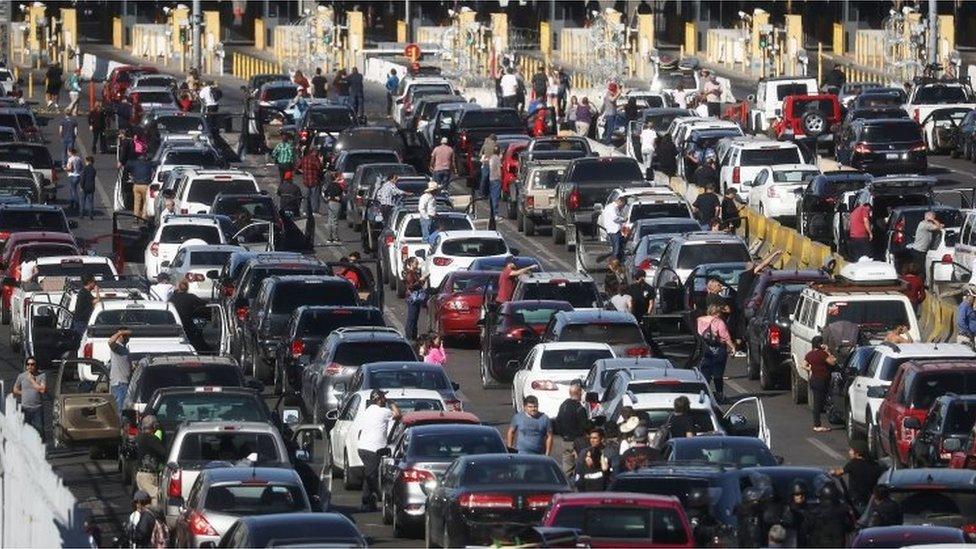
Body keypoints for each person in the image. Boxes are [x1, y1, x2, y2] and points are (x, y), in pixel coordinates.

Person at [352, 389, 402, 512]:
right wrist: (392, 403)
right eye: (384, 397)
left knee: (370, 474)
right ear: (379, 399)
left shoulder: (368, 410)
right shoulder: (383, 412)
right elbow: (398, 414)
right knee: (371, 476)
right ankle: (374, 499)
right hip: (373, 450)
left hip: (362, 448)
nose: (385, 399)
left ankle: (369, 500)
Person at [832, 441, 885, 513]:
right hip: (870, 503)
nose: (849, 452)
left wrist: (832, 472)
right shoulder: (875, 465)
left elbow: (839, 472)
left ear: (857, 453)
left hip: (856, 502)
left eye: (851, 450)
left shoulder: (853, 463)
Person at [697, 305, 735, 401]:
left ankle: (704, 393)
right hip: (718, 349)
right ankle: (719, 394)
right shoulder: (719, 322)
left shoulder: (699, 320)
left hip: (704, 349)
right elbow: (725, 336)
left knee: (705, 373)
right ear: (717, 313)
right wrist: (732, 347)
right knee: (718, 373)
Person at [553, 380, 590, 476]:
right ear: (579, 393)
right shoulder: (579, 408)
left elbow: (558, 422)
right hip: (578, 441)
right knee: (581, 464)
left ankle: (567, 485)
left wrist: (563, 434)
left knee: (567, 466)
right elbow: (585, 425)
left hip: (565, 440)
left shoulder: (564, 405)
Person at [804, 335, 836, 432]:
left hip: (813, 379)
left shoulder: (809, 354)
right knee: (818, 403)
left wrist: (811, 369)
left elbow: (804, 365)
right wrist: (827, 351)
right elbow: (832, 362)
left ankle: (818, 423)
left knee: (817, 401)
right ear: (820, 344)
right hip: (821, 380)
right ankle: (817, 425)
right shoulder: (822, 354)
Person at [134, 414, 166, 505]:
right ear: (154, 426)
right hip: (148, 475)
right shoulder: (152, 439)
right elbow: (163, 453)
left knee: (144, 500)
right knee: (155, 496)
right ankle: (153, 517)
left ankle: (143, 517)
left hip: (139, 474)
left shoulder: (139, 438)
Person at [13, 357, 46, 439]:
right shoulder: (21, 376)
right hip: (25, 408)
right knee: (26, 430)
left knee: (40, 430)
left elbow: (42, 390)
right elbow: (15, 389)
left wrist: (32, 380)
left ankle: (41, 448)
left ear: (36, 365)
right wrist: (24, 393)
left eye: (32, 364)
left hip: (37, 408)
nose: (30, 366)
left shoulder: (41, 376)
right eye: (28, 364)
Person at [910, 211, 943, 281]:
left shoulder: (928, 225)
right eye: (933, 217)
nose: (934, 218)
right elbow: (938, 227)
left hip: (922, 251)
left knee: (921, 269)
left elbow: (940, 226)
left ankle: (920, 282)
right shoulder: (924, 224)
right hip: (919, 251)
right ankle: (918, 283)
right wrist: (933, 220)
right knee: (920, 270)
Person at [108, 328, 133, 417]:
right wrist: (120, 332)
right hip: (119, 384)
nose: (128, 338)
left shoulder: (124, 349)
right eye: (126, 336)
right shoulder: (116, 347)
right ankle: (119, 428)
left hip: (126, 383)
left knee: (124, 409)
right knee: (119, 410)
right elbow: (110, 342)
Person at [403, 257, 429, 341]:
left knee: (415, 318)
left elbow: (418, 284)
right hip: (412, 298)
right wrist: (420, 280)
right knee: (411, 318)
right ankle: (409, 337)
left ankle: (413, 336)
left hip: (416, 298)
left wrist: (423, 279)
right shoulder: (410, 273)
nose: (417, 265)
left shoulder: (415, 273)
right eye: (416, 263)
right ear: (411, 264)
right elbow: (410, 286)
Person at [126, 152, 153, 219]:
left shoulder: (134, 163)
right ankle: (144, 216)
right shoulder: (148, 164)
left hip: (136, 185)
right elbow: (156, 163)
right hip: (145, 185)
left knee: (137, 202)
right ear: (145, 157)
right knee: (145, 201)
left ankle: (136, 216)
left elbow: (127, 165)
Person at [297, 147, 323, 218]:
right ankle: (314, 211)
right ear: (314, 152)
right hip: (314, 180)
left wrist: (303, 172)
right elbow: (320, 168)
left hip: (306, 181)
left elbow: (298, 166)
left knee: (306, 197)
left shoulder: (304, 158)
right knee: (315, 196)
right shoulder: (315, 159)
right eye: (317, 152)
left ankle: (305, 211)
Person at [601, 196, 627, 262]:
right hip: (613, 231)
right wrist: (624, 219)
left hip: (615, 230)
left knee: (619, 249)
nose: (622, 207)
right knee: (616, 250)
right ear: (620, 201)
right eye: (622, 205)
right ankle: (613, 264)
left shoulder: (613, 207)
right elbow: (615, 218)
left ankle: (618, 263)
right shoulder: (612, 208)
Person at [322, 171, 343, 244]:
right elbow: (341, 195)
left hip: (330, 203)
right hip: (336, 203)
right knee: (335, 221)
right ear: (337, 177)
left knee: (330, 220)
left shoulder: (330, 185)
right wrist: (336, 197)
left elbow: (325, 193)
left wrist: (328, 198)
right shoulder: (338, 186)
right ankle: (335, 238)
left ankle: (329, 237)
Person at [487, 146, 502, 230]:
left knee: (492, 196)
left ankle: (493, 213)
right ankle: (495, 214)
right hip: (496, 179)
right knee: (495, 196)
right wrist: (500, 178)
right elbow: (499, 169)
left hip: (491, 178)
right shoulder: (497, 158)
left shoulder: (491, 158)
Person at [77, 154, 97, 220]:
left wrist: (81, 186)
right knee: (90, 202)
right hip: (91, 187)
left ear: (88, 161)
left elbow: (83, 178)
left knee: (82, 201)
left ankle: (81, 214)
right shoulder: (94, 169)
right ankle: (91, 214)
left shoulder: (85, 169)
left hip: (85, 186)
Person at [64, 147, 83, 215]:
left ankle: (76, 204)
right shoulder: (78, 158)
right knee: (72, 189)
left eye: (68, 152)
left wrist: (65, 169)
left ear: (70, 152)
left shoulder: (70, 159)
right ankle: (72, 203)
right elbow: (81, 167)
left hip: (72, 176)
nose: (67, 153)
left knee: (73, 191)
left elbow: (70, 168)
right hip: (78, 176)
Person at [478, 134, 498, 198]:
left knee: (483, 179)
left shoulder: (485, 145)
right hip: (493, 164)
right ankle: (491, 193)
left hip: (485, 163)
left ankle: (481, 193)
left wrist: (485, 156)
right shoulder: (496, 146)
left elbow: (480, 154)